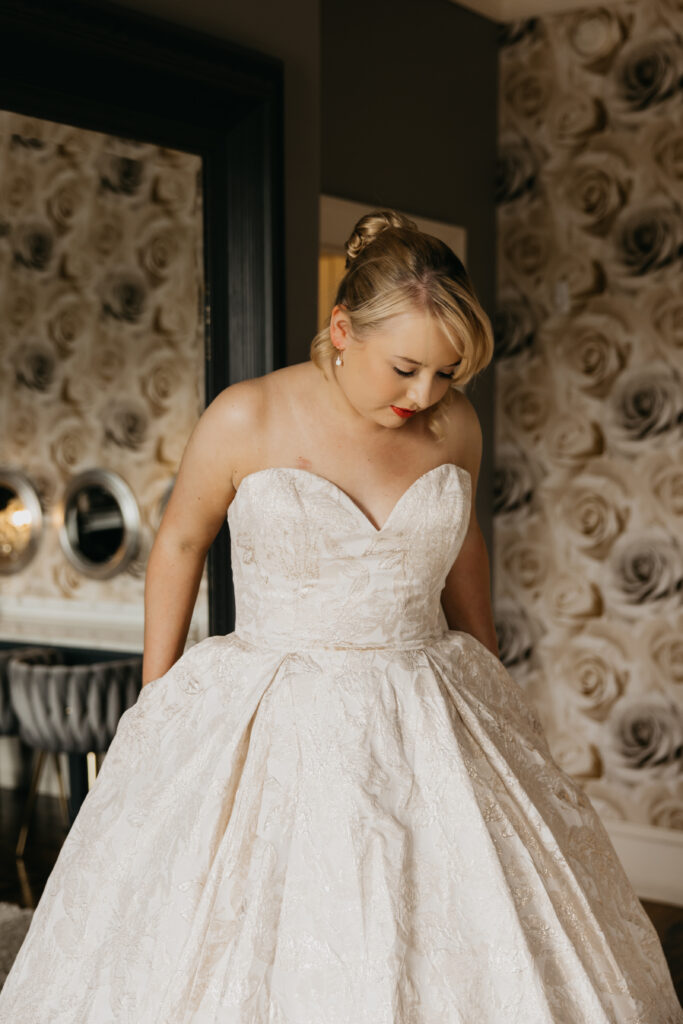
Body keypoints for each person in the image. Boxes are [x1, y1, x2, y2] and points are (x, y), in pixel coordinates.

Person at [0, 210, 681, 1023]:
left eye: (447, 373)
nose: (424, 394)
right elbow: (180, 543)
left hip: (427, 694)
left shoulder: (452, 424)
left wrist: (488, 675)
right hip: (274, 698)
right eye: (405, 368)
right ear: (341, 329)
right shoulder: (246, 416)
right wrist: (159, 697)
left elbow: (463, 547)